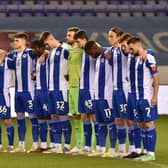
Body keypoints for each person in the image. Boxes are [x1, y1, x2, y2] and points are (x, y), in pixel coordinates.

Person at [127, 37, 159, 161]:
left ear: (138, 45)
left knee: (148, 123)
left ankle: (151, 153)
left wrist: (155, 96)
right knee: (142, 124)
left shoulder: (149, 58)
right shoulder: (136, 59)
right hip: (138, 98)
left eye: (131, 48)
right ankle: (145, 152)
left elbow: (156, 78)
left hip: (146, 97)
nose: (130, 51)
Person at [39, 31, 72, 153]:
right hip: (51, 90)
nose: (46, 46)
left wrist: (71, 75)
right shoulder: (51, 52)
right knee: (53, 116)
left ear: (50, 38)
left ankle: (67, 146)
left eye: (46, 43)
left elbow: (76, 62)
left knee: (63, 115)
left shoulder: (65, 49)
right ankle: (57, 145)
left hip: (61, 89)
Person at [84, 41, 117, 157]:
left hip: (107, 96)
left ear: (95, 48)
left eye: (90, 53)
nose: (90, 56)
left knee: (111, 123)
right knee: (101, 123)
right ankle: (101, 149)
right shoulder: (97, 58)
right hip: (97, 96)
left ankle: (113, 149)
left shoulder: (110, 52)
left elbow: (148, 51)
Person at [7, 33, 39, 152]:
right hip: (18, 92)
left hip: (29, 91)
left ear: (24, 41)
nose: (15, 43)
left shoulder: (30, 53)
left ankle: (35, 144)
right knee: (20, 119)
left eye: (17, 41)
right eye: (14, 40)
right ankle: (21, 145)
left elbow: (42, 57)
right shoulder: (13, 55)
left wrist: (35, 73)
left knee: (32, 118)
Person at [72, 30, 99, 154]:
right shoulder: (83, 51)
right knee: (83, 116)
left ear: (83, 39)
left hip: (90, 88)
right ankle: (87, 146)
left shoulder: (94, 48)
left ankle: (99, 146)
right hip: (82, 88)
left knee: (93, 116)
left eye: (77, 41)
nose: (76, 44)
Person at [105, 27, 128, 157]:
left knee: (128, 119)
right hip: (114, 90)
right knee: (117, 119)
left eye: (112, 36)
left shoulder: (123, 49)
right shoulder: (110, 51)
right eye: (109, 36)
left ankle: (132, 148)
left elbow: (147, 51)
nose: (109, 38)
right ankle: (122, 148)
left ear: (119, 37)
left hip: (124, 89)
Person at [64, 27, 84, 153]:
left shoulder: (83, 50)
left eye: (69, 35)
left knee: (83, 116)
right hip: (71, 86)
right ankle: (79, 144)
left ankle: (84, 144)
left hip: (79, 86)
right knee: (75, 116)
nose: (67, 37)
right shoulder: (71, 50)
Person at [28, 40, 50, 153]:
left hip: (46, 92)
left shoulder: (48, 57)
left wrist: (46, 53)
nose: (33, 50)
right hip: (37, 91)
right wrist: (34, 75)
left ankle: (55, 145)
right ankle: (43, 145)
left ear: (41, 48)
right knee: (40, 118)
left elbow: (51, 52)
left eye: (35, 48)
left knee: (50, 117)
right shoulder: (36, 59)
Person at [0, 50, 15, 152]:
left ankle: (11, 145)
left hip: (3, 95)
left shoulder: (8, 61)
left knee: (7, 120)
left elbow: (4, 52)